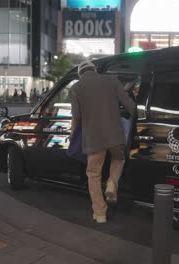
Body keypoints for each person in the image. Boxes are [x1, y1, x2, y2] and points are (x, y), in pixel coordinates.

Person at [70, 61, 136, 224]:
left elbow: (76, 117)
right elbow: (130, 106)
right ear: (95, 70)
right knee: (118, 159)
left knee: (93, 174)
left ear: (81, 74)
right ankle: (112, 183)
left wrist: (72, 135)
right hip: (115, 135)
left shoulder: (76, 88)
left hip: (93, 139)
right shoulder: (112, 81)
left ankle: (100, 213)